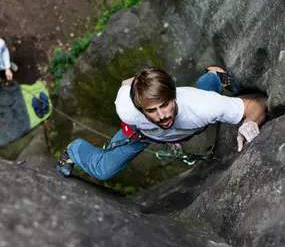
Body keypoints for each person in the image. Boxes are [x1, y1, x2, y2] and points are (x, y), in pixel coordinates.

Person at [56, 67, 267, 180]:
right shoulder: (127, 109)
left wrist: (249, 122)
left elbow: (255, 106)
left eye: (164, 105)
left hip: (191, 121)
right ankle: (74, 149)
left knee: (207, 98)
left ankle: (214, 75)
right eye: (151, 110)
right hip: (142, 135)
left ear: (173, 95)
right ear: (139, 108)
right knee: (102, 170)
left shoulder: (201, 106)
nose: (161, 116)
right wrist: (145, 80)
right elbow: (125, 84)